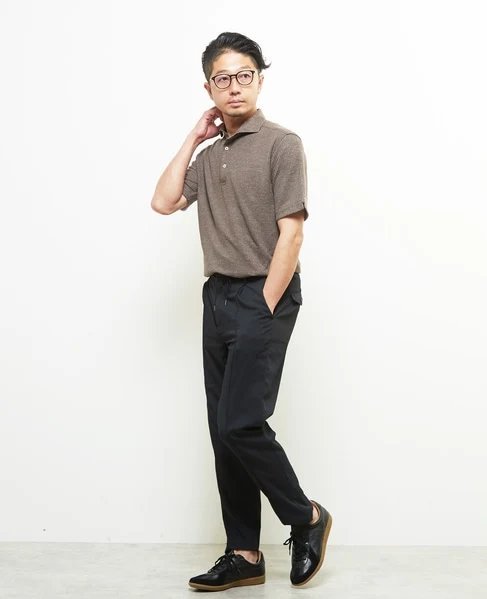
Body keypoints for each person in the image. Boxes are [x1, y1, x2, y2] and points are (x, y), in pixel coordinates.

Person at [151, 31, 332, 591]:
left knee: (240, 422)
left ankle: (306, 516)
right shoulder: (209, 157)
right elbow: (163, 201)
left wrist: (264, 302)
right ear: (209, 87)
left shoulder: (281, 144)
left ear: (260, 80)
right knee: (222, 429)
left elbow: (292, 233)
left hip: (263, 294)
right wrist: (193, 137)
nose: (235, 86)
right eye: (223, 78)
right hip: (218, 297)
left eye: (244, 75)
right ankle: (245, 554)